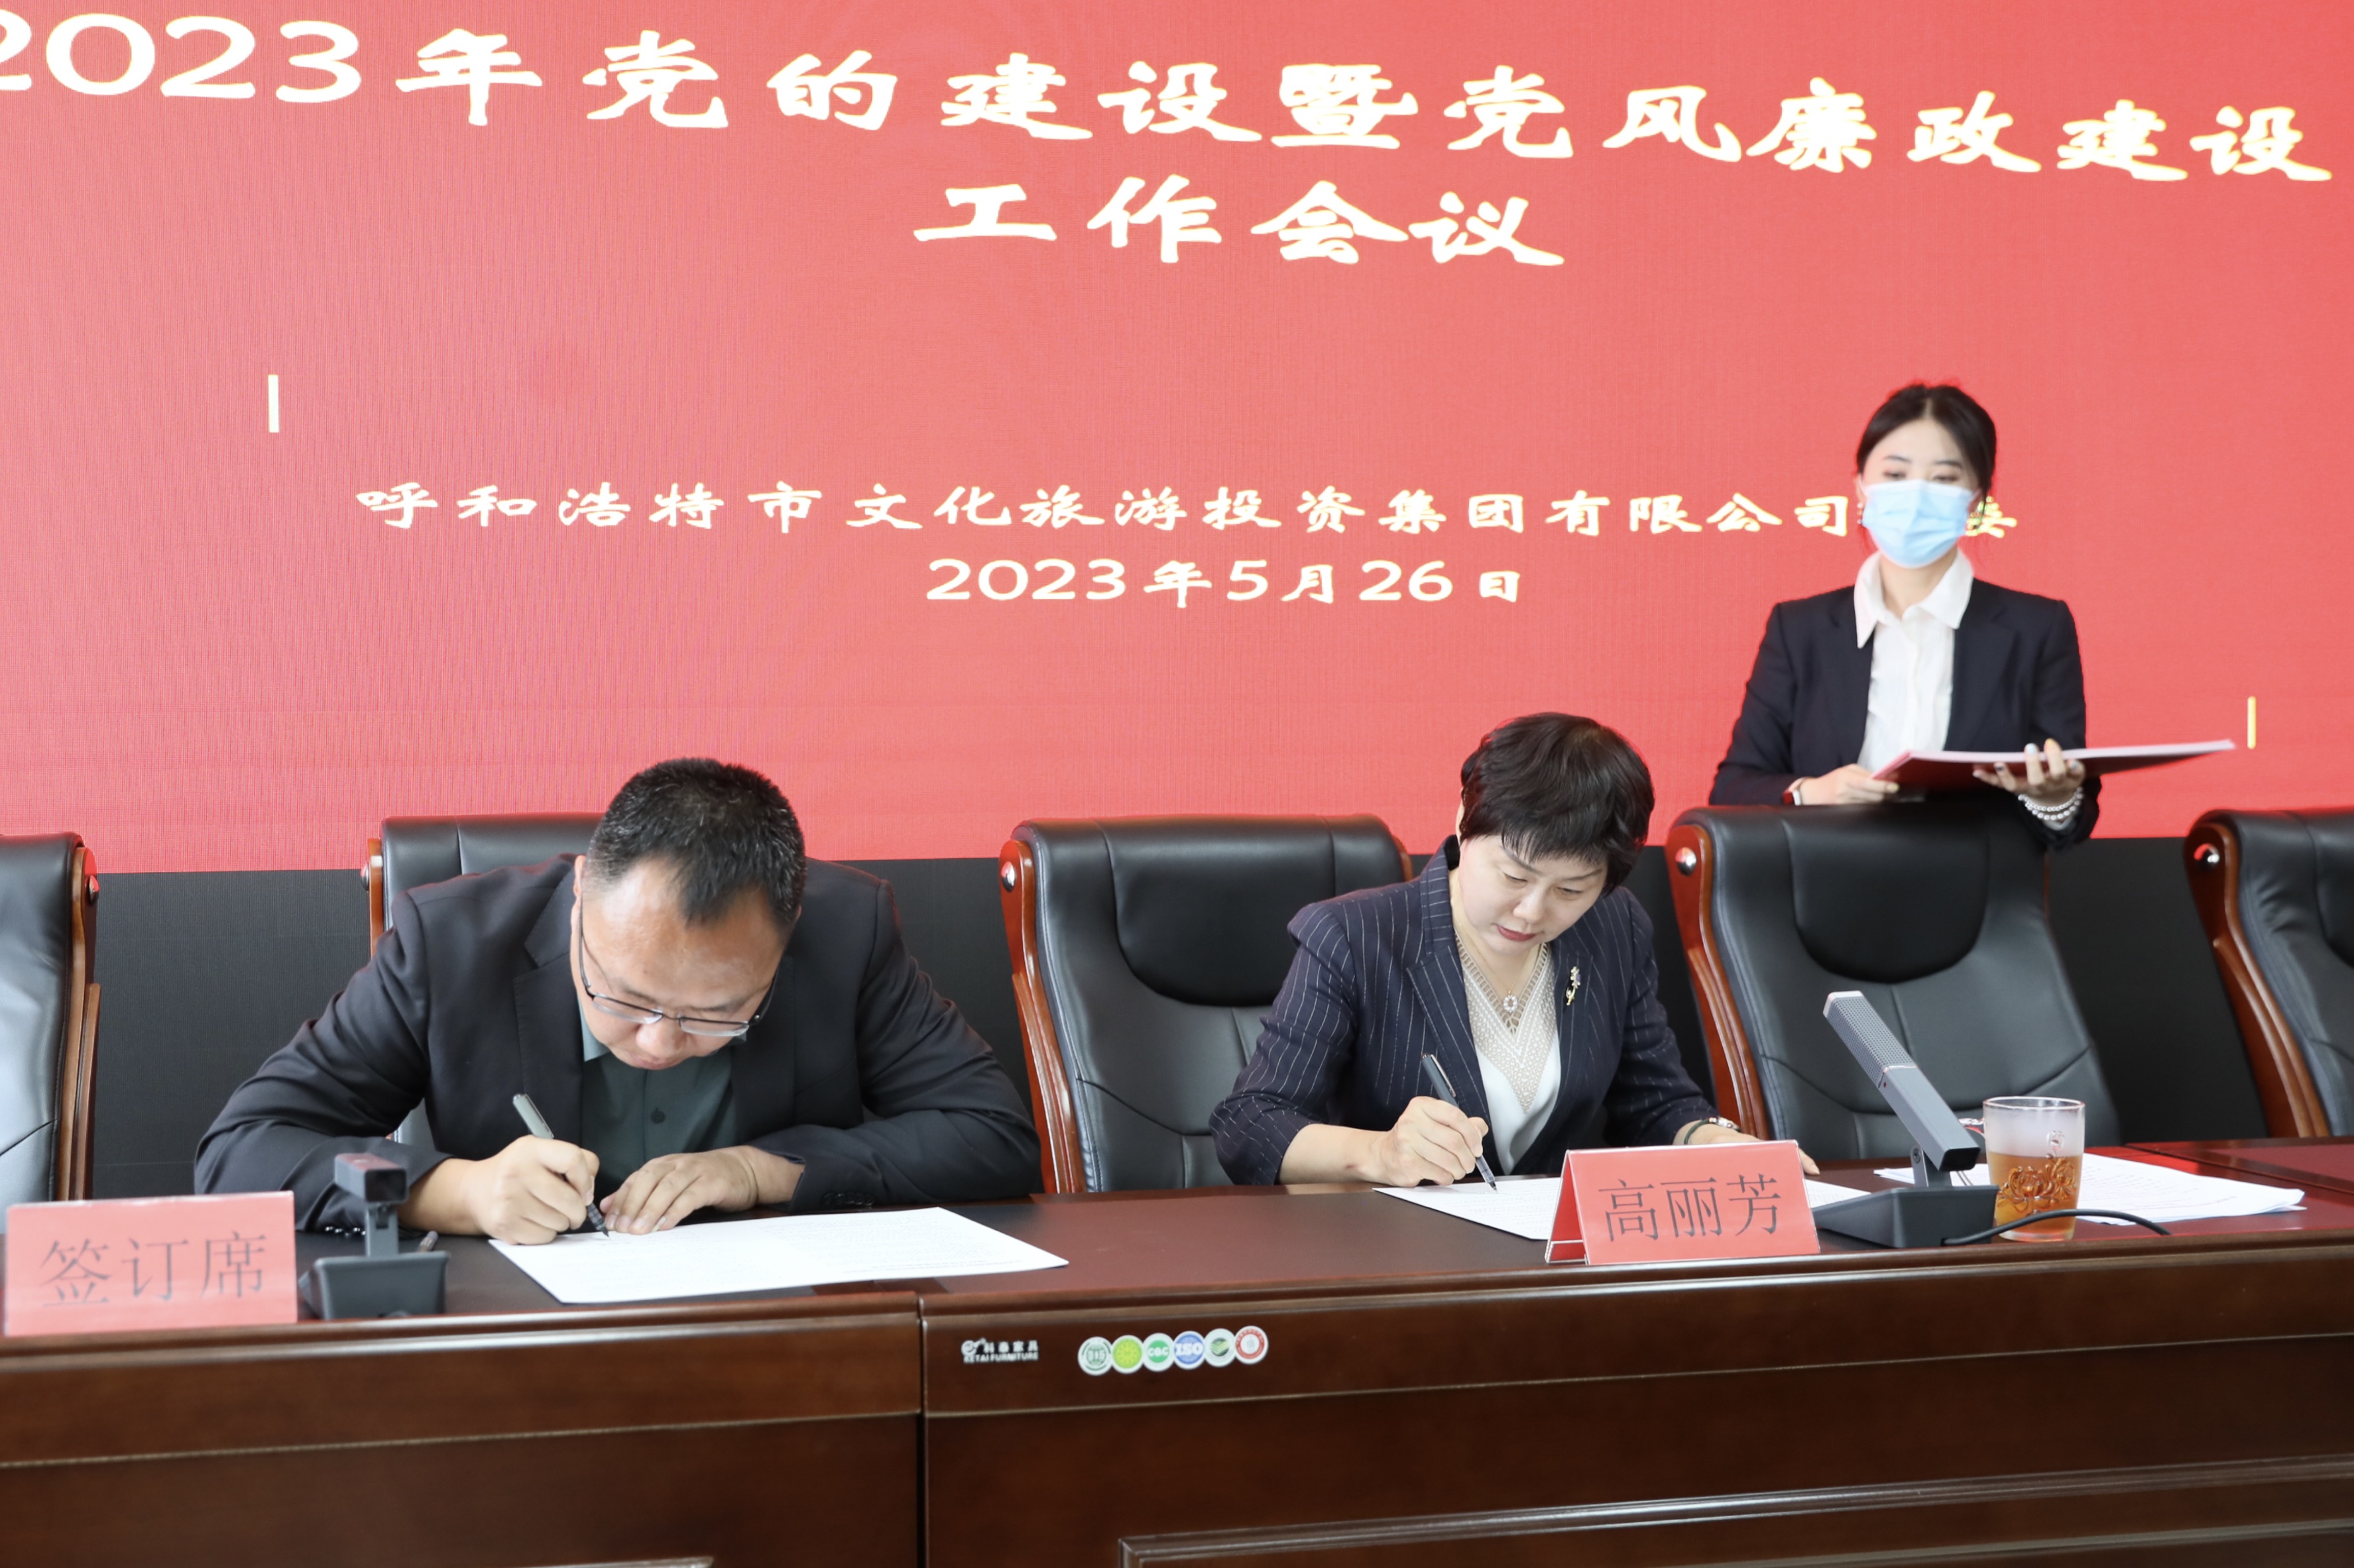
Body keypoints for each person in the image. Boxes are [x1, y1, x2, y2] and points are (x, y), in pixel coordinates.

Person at [198, 759, 1039, 1242]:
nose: (659, 1041)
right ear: (576, 905)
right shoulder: (449, 943)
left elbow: (991, 1135)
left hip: (772, 1332)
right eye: (623, 996)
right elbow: (242, 1153)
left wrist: (758, 1170)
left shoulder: (845, 931)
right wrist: (457, 1190)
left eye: (715, 1013)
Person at [1212, 714, 1806, 1187]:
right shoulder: (1354, 935)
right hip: (1393, 1254)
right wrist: (1380, 1154)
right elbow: (1251, 1123)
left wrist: (1715, 1142)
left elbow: (1656, 1103)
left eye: (1570, 890)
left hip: (1547, 1259)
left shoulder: (1613, 926)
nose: (1531, 912)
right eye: (1514, 877)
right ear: (1463, 822)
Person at [1711, 382, 2097, 848]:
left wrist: (2053, 799)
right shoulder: (1799, 629)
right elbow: (1732, 788)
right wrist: (1811, 792)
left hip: (1979, 884)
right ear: (1860, 487)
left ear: (1976, 499)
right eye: (1895, 474)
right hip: (1824, 876)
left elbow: (2073, 817)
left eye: (1944, 478)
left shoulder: (2037, 628)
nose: (1916, 496)